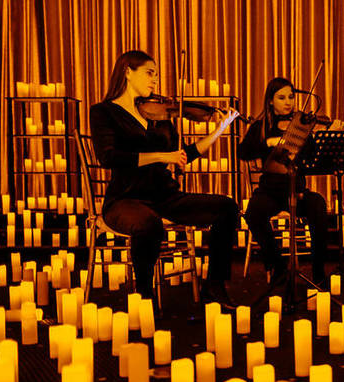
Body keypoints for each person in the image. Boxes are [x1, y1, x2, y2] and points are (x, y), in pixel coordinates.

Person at [89, 49, 241, 308]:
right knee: (149, 224)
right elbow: (109, 157)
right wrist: (161, 156)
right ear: (127, 72)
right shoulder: (104, 112)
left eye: (157, 75)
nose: (155, 80)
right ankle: (144, 296)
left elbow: (182, 156)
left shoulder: (160, 117)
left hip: (165, 196)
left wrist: (218, 131)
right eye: (150, 73)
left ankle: (215, 286)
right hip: (125, 199)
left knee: (227, 207)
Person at [238, 77, 331, 286]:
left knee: (318, 205)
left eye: (291, 97)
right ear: (270, 101)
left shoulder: (301, 125)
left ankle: (318, 272)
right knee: (253, 213)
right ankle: (278, 266)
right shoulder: (261, 126)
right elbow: (242, 152)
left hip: (296, 190)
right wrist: (267, 143)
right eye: (282, 98)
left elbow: (311, 156)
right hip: (270, 191)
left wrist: (317, 139)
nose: (288, 102)